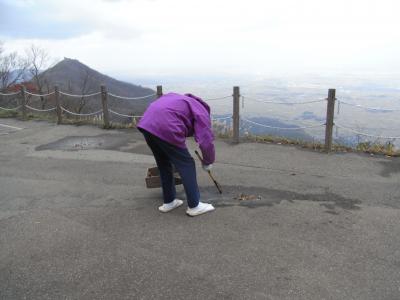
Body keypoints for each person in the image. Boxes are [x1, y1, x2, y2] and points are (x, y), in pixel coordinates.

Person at [137, 92, 215, 217]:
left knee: (163, 162)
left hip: (147, 125)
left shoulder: (177, 98)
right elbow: (206, 141)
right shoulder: (201, 111)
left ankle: (169, 202)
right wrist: (208, 161)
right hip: (167, 127)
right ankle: (194, 206)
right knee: (187, 164)